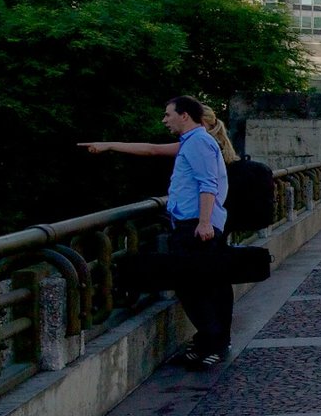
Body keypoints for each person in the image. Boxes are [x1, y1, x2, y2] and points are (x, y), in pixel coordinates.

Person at [81, 96, 233, 368]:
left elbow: (207, 184)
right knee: (206, 284)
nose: (164, 120)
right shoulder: (194, 142)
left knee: (195, 287)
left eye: (168, 115)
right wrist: (109, 146)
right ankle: (212, 341)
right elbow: (151, 150)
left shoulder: (198, 143)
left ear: (184, 115)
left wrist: (205, 222)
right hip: (195, 225)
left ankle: (213, 343)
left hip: (196, 227)